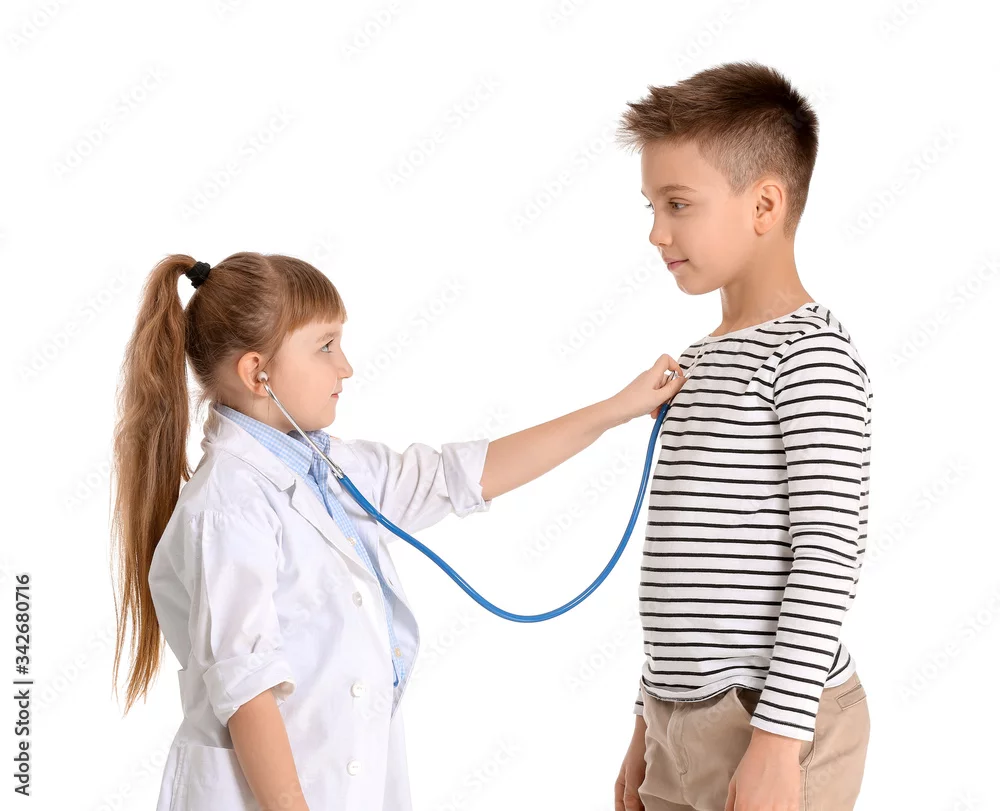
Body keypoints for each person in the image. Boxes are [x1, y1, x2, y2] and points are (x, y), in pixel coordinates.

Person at [109, 251, 689, 811]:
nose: (346, 366)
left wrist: (618, 408)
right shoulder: (230, 506)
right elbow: (249, 694)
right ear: (257, 373)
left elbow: (463, 474)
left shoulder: (328, 469)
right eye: (325, 346)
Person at [612, 61, 873, 811]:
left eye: (678, 204)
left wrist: (778, 742)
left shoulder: (811, 357)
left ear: (763, 204)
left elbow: (828, 554)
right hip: (680, 720)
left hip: (772, 719)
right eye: (651, 205)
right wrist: (646, 724)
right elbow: (684, 561)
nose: (656, 231)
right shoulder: (697, 361)